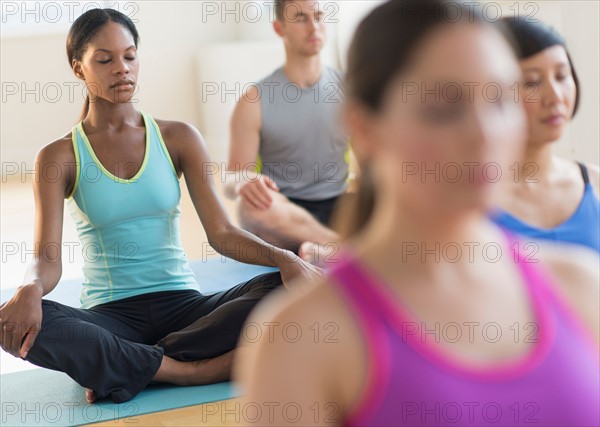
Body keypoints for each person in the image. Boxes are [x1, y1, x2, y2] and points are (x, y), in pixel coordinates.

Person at [234, 1, 600, 425]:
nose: (484, 134)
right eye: (444, 108)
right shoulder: (303, 337)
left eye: (501, 100)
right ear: (364, 128)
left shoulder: (580, 284)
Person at [0, 8, 320, 404]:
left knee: (289, 285)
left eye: (130, 56)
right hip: (110, 318)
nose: (122, 68)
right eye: (105, 59)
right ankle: (192, 370)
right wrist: (30, 287)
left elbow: (221, 234)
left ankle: (125, 367)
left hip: (187, 309)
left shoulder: (179, 138)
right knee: (15, 321)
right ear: (78, 68)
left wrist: (286, 259)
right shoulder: (59, 155)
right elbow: (47, 259)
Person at [225, 0, 351, 255]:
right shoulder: (253, 100)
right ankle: (346, 252)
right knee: (251, 209)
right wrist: (242, 182)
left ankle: (324, 252)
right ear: (279, 28)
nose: (313, 27)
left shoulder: (351, 91)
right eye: (301, 18)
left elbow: (375, 162)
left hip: (339, 205)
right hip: (281, 211)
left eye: (318, 16)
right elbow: (233, 176)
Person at [492, 17, 600, 253]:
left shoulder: (595, 183)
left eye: (562, 76)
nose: (555, 96)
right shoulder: (470, 198)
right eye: (531, 83)